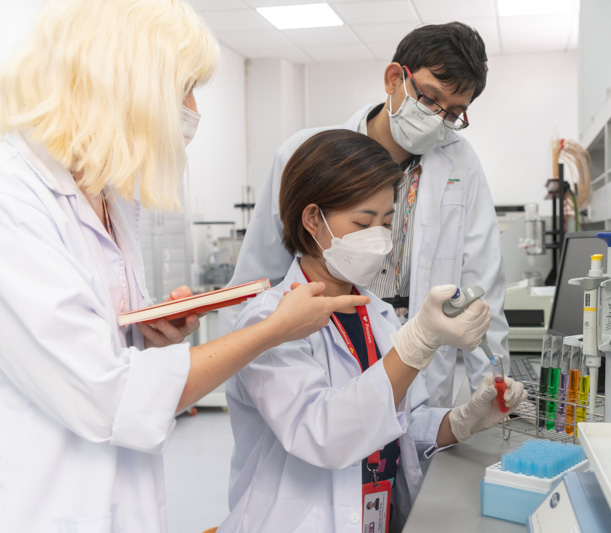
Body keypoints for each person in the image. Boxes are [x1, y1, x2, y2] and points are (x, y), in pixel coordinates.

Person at [0, 1, 368, 531]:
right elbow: (109, 396)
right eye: (182, 89)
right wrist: (270, 330)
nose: (194, 107)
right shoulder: (16, 200)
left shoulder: (108, 196)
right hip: (47, 500)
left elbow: (95, 346)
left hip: (119, 494)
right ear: (121, 83)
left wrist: (147, 334)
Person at [219, 130, 525, 532]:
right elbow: (326, 433)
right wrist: (418, 343)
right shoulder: (267, 322)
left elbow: (394, 421)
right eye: (363, 222)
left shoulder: (376, 314)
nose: (379, 239)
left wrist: (460, 421)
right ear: (313, 219)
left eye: (386, 222)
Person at [223, 22, 509, 408]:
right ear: (395, 78)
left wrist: (494, 386)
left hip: (419, 356)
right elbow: (257, 278)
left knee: (409, 447)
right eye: (428, 99)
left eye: (454, 113)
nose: (439, 119)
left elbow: (481, 284)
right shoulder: (304, 152)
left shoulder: (459, 160)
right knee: (329, 432)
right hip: (324, 341)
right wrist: (246, 380)